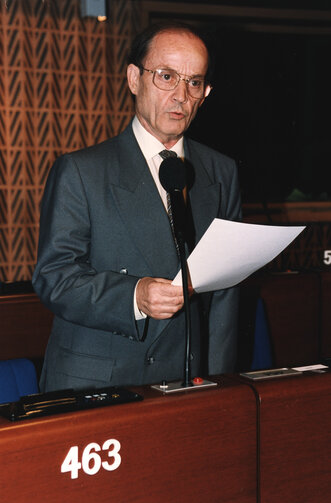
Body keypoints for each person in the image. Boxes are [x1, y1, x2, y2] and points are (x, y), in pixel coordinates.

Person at [32, 21, 241, 392]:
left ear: (205, 93)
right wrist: (135, 295)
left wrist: (218, 385)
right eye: (166, 76)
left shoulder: (221, 171)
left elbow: (225, 294)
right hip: (98, 384)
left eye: (194, 82)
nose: (181, 96)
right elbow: (55, 278)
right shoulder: (81, 171)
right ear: (133, 79)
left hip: (185, 383)